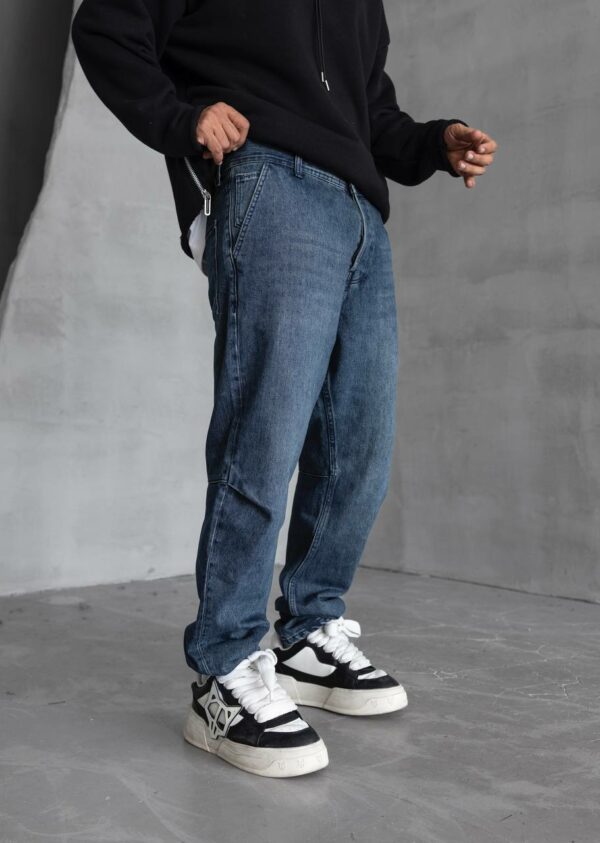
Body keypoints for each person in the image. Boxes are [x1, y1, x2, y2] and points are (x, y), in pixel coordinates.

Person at [71, 0, 497, 778]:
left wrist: (434, 143)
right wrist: (182, 120)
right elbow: (105, 27)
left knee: (359, 447)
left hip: (360, 210)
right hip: (272, 184)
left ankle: (308, 633)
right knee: (263, 437)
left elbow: (371, 114)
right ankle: (223, 667)